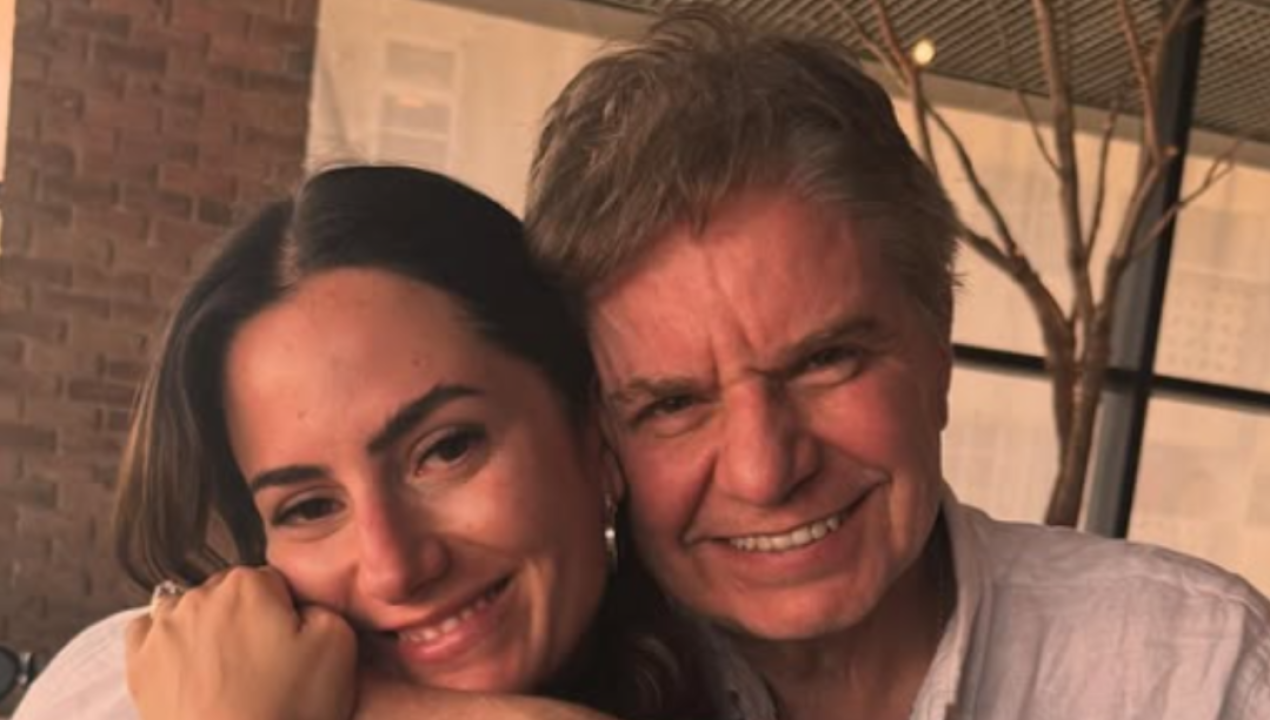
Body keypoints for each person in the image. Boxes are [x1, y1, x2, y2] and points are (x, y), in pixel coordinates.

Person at [522, 7, 1270, 720]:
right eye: (674, 405)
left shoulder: (1199, 674)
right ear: (602, 446)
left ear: (937, 343)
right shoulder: (534, 685)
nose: (764, 473)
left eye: (826, 360)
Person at [14, 166, 717, 720]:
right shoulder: (114, 693)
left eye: (446, 450)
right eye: (310, 507)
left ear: (592, 430)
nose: (395, 569)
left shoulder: (750, 669)